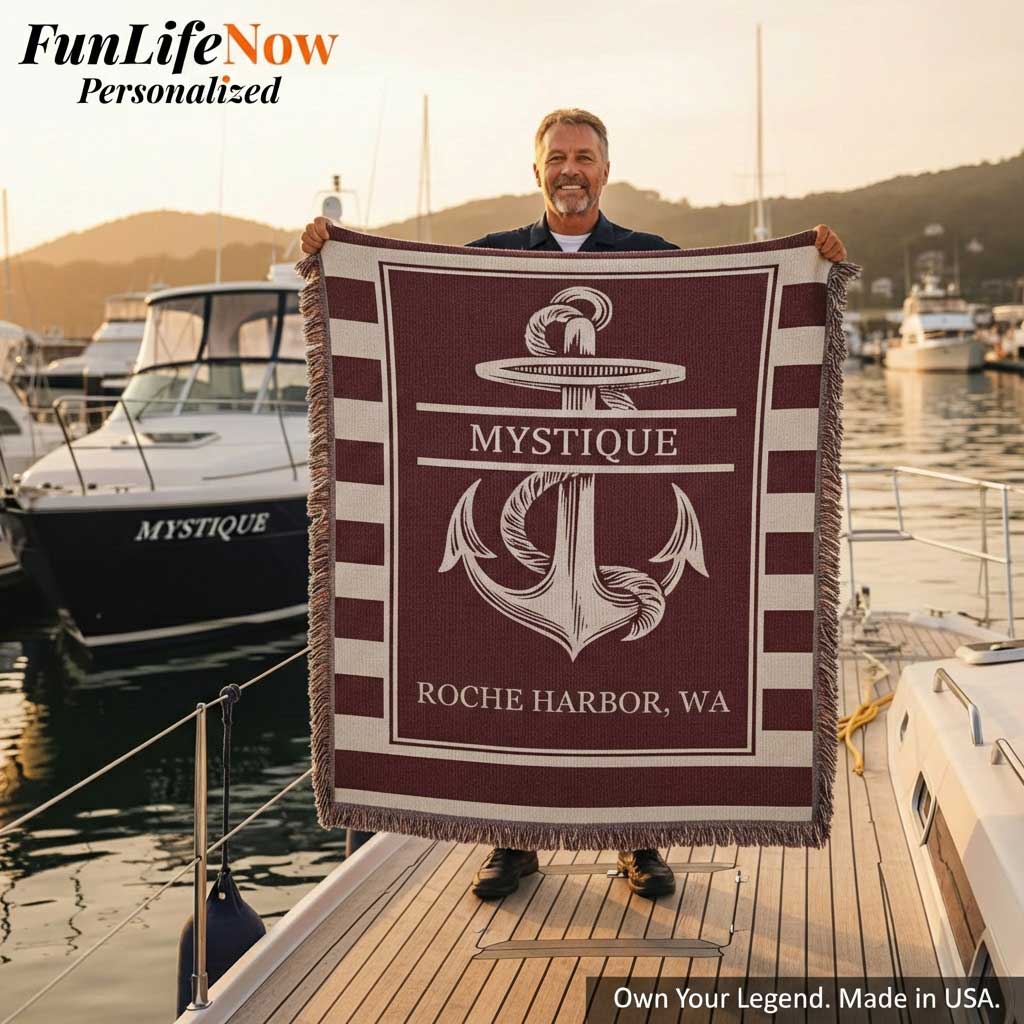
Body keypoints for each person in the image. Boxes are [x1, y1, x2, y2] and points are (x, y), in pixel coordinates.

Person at [301, 108, 847, 901]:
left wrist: (814, 263)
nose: (570, 170)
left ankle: (640, 844)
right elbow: (427, 333)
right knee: (514, 674)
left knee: (640, 683)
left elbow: (723, 341)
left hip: (623, 512)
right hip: (540, 514)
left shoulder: (653, 261)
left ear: (605, 170)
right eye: (557, 157)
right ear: (536, 171)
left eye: (584, 158)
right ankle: (512, 845)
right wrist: (335, 255)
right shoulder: (489, 262)